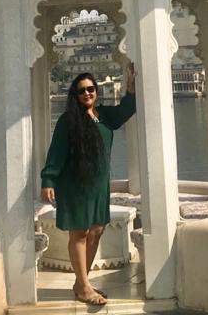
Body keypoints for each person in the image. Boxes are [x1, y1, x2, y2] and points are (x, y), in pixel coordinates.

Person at [40, 65, 136, 306]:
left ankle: (81, 282)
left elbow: (126, 110)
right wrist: (48, 180)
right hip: (75, 184)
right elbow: (56, 152)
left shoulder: (105, 116)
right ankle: (83, 287)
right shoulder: (68, 121)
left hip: (98, 185)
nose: (87, 93)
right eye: (81, 90)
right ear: (75, 94)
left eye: (90, 89)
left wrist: (131, 89)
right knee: (80, 233)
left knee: (96, 230)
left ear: (96, 91)